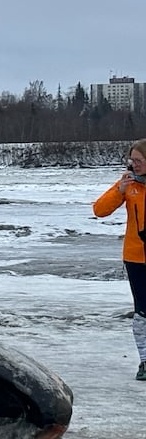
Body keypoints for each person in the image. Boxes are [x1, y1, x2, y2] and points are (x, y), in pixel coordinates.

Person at [93, 138, 146, 381]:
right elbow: (99, 210)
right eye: (132, 161)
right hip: (136, 258)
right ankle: (145, 361)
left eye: (139, 161)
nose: (134, 166)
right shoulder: (128, 185)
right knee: (143, 312)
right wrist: (119, 190)